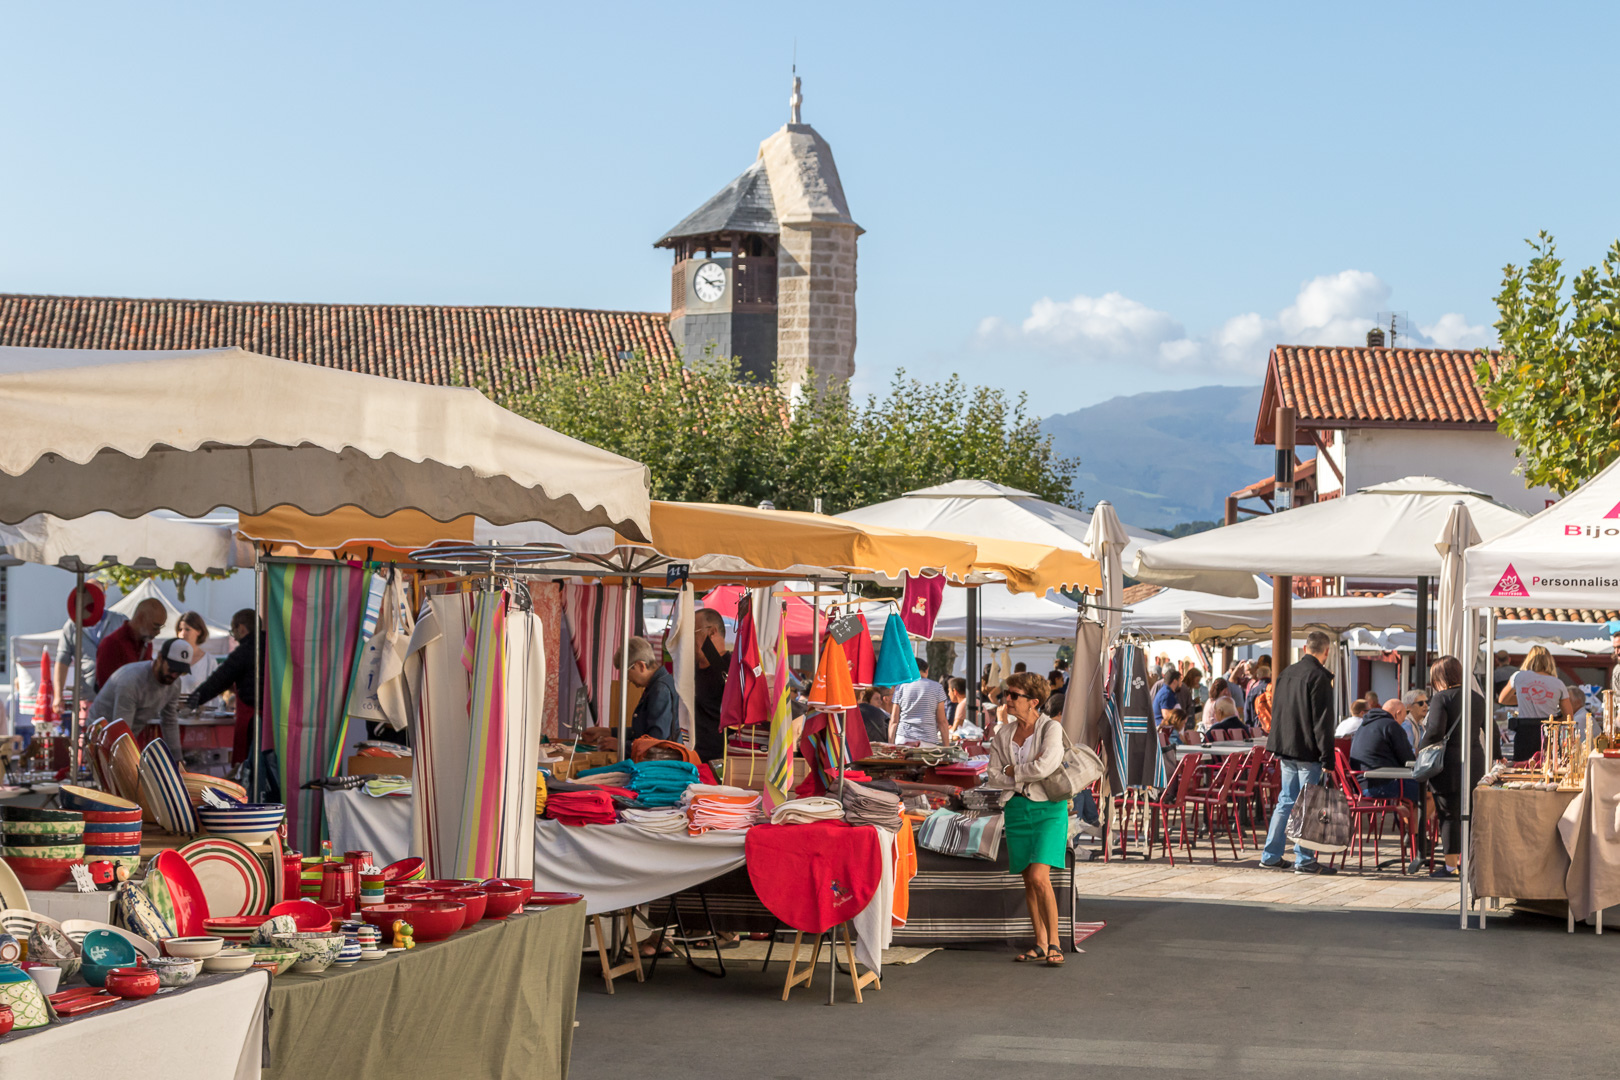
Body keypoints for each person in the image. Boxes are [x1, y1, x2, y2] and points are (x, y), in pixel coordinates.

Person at [985, 671, 1069, 967]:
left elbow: (1045, 766)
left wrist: (1012, 772)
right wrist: (1016, 774)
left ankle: (1056, 942)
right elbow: (991, 775)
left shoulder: (1050, 729)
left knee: (1039, 877)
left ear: (1034, 701)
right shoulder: (1003, 733)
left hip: (1049, 810)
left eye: (1013, 695)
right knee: (1028, 881)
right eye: (1006, 694)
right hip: (1017, 810)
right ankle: (1040, 942)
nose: (1006, 700)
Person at [1260, 631, 1337, 874]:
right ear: (1326, 651)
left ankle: (1271, 855)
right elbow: (1322, 722)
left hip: (1285, 747)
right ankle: (1304, 859)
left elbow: (1278, 711)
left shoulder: (1285, 673)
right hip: (1307, 750)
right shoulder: (1319, 677)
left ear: (1305, 648)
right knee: (1308, 805)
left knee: (1286, 801)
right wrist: (1328, 757)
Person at [1421, 655, 1488, 877]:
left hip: (1448, 762)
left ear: (1439, 677)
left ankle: (1451, 866)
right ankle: (1471, 863)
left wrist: (1422, 748)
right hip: (1475, 760)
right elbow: (1492, 732)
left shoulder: (1441, 698)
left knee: (1448, 813)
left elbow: (1435, 731)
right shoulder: (1478, 698)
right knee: (1469, 813)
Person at [1349, 697, 1423, 869]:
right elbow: (1407, 759)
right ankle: (1416, 838)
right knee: (1428, 793)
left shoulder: (1365, 725)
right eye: (1403, 717)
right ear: (1397, 713)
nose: (1403, 721)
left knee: (1411, 793)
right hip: (1379, 785)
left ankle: (1411, 834)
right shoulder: (1391, 726)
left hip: (1360, 785)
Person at [91, 637, 194, 758]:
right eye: (171, 669)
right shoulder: (131, 681)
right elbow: (120, 729)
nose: (174, 675)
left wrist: (177, 759)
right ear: (160, 658)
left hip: (123, 735)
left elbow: (170, 720)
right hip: (98, 736)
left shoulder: (175, 684)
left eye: (180, 672)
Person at [186, 610, 259, 767]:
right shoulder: (273, 646)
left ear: (241, 628)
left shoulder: (244, 652)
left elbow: (218, 681)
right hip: (276, 718)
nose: (233, 636)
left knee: (247, 765)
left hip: (252, 717)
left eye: (233, 630)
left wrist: (191, 702)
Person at [51, 582, 127, 714]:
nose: (91, 600)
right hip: (87, 696)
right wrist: (58, 695)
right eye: (88, 595)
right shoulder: (72, 626)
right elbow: (62, 660)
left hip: (116, 694)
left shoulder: (120, 621)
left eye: (96, 595)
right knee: (87, 732)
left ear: (104, 597)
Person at [1497, 645, 1574, 762]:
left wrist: (1526, 698)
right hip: (1549, 733)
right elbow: (1569, 716)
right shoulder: (1558, 683)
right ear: (1549, 662)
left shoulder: (1518, 676)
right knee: (1548, 769)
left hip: (1524, 732)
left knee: (1522, 769)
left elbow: (1502, 699)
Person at [95, 598, 167, 690]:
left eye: (160, 627)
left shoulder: (146, 643)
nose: (158, 632)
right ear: (140, 618)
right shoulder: (111, 644)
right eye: (155, 626)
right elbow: (107, 689)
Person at [619, 636, 677, 743]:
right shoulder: (654, 686)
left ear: (641, 666)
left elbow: (655, 741)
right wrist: (611, 732)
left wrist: (620, 745)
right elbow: (642, 731)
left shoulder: (660, 690)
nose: (627, 679)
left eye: (626, 673)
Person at [690, 608, 730, 764]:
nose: (689, 639)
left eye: (694, 633)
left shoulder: (730, 669)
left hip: (717, 762)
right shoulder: (690, 669)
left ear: (712, 632)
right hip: (690, 758)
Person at [889, 659, 949, 745]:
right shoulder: (937, 688)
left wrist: (890, 745)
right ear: (927, 670)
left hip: (904, 738)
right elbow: (942, 721)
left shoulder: (900, 687)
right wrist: (947, 747)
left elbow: (894, 721)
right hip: (928, 740)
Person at [173, 612, 213, 697]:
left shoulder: (209, 661)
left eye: (187, 629)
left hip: (197, 709)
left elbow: (213, 695)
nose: (182, 634)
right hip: (171, 709)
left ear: (198, 631)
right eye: (180, 630)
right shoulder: (170, 658)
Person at [1244, 661, 1272, 727]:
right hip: (1272, 725)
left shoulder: (1253, 691)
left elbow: (1247, 711)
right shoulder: (1274, 688)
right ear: (1270, 674)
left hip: (1257, 725)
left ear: (1258, 675)